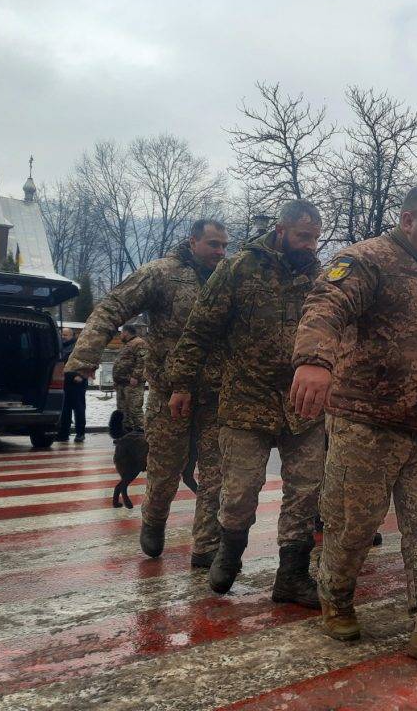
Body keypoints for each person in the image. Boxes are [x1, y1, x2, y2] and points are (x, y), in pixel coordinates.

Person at [289, 186, 417, 667]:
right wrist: (314, 361)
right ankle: (335, 598)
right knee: (353, 525)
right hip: (368, 425)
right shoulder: (366, 261)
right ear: (407, 220)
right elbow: (325, 304)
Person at [167, 200, 325, 605]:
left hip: (301, 404)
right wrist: (181, 383)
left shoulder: (319, 278)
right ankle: (229, 555)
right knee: (239, 490)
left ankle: (291, 574)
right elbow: (200, 328)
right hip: (245, 398)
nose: (310, 245)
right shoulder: (239, 268)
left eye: (315, 237)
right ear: (281, 231)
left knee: (305, 491)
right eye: (303, 236)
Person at [65, 219, 229, 567]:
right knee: (165, 469)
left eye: (223, 245)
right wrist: (86, 355)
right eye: (213, 244)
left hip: (215, 395)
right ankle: (154, 521)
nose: (219, 252)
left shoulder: (225, 278)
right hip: (170, 396)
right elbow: (113, 306)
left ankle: (206, 547)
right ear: (193, 241)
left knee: (216, 474)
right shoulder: (162, 274)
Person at [112, 325, 147, 432]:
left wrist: (135, 376)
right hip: (122, 383)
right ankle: (126, 433)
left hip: (132, 383)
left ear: (126, 332)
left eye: (121, 333)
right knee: (123, 410)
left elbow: (142, 360)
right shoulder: (127, 345)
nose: (120, 335)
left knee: (134, 409)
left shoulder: (139, 343)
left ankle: (142, 432)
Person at [56, 327, 87, 443]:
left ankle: (80, 433)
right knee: (65, 409)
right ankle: (64, 433)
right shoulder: (59, 347)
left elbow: (87, 361)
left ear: (72, 335)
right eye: (62, 334)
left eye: (65, 335)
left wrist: (82, 375)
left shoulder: (78, 347)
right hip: (63, 380)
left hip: (76, 381)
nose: (63, 337)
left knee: (78, 408)